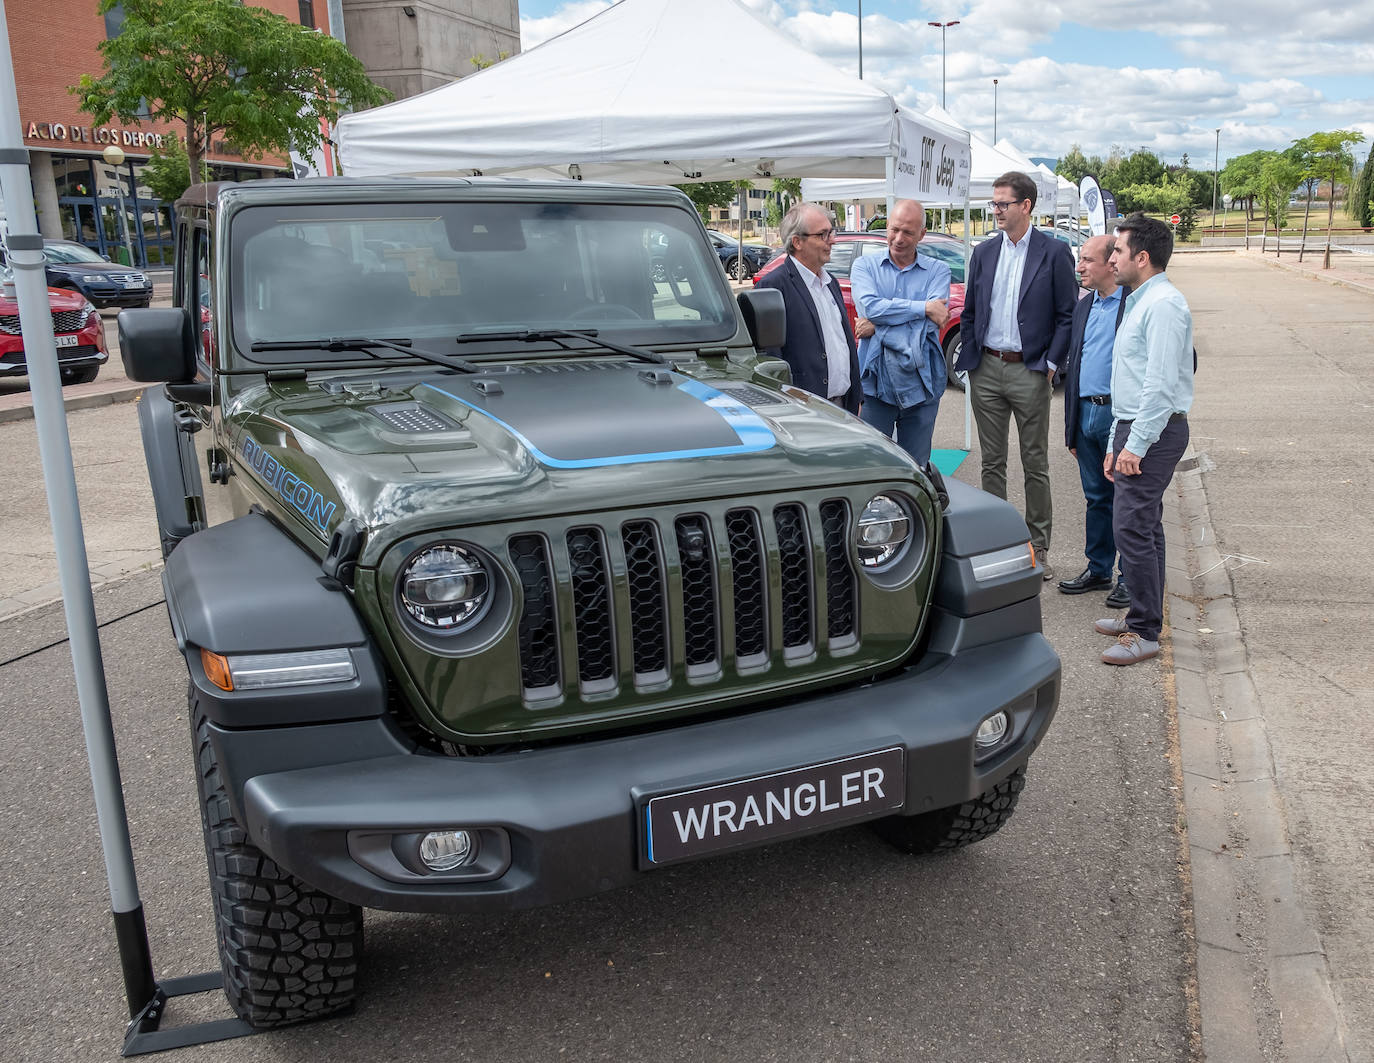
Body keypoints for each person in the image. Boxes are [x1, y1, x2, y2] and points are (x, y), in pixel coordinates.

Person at [956, 171, 1077, 581]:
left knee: (1034, 462)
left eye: (1002, 204)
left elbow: (1066, 315)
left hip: (1029, 368)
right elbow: (970, 310)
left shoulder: (1055, 252)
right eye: (993, 204)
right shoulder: (985, 252)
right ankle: (997, 543)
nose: (995, 211)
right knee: (992, 462)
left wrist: (1049, 364)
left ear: (1025, 206)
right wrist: (970, 357)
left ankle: (1037, 545)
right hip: (987, 368)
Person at [1097, 213, 1195, 666]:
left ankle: (1144, 631)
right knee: (1143, 526)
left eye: (1117, 251)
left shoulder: (1164, 305)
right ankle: (1143, 613)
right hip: (1135, 425)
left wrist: (1135, 445)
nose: (1110, 258)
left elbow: (1159, 385)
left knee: (1132, 529)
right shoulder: (1142, 299)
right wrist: (1121, 440)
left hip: (1152, 429)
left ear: (1142, 257)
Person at [848, 199, 951, 468]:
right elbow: (869, 306)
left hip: (922, 385)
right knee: (872, 466)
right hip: (874, 388)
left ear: (922, 235)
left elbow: (927, 328)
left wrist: (877, 325)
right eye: (893, 229)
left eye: (908, 232)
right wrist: (924, 308)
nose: (898, 238)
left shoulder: (939, 271)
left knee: (915, 468)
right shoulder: (864, 266)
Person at [1059, 234, 1131, 609]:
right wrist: (1072, 426)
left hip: (1118, 416)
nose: (1080, 266)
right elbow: (1076, 364)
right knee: (1096, 498)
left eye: (1087, 259)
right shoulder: (1085, 306)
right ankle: (1099, 568)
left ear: (1110, 264)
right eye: (1080, 259)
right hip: (1086, 413)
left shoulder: (1134, 305)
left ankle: (1130, 577)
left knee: (1126, 499)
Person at [754, 203, 867, 413]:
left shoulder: (830, 282)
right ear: (797, 242)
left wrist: (856, 396)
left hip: (844, 407)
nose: (832, 240)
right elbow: (770, 360)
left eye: (831, 232)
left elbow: (845, 344)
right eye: (823, 235)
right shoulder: (773, 287)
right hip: (803, 413)